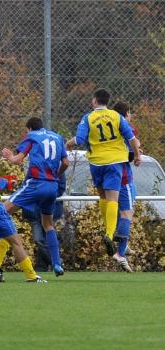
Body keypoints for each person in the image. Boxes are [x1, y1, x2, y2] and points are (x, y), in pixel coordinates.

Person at [66, 89, 142, 257]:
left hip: (96, 163)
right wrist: (136, 156)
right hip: (114, 162)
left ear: (94, 101)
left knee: (103, 198)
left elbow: (79, 140)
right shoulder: (116, 117)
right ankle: (109, 233)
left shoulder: (88, 118)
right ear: (107, 101)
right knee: (113, 199)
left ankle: (107, 226)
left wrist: (68, 144)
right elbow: (131, 139)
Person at [0, 130, 45, 283]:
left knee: (6, 236)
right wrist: (4, 183)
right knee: (16, 241)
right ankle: (32, 276)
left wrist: (2, 181)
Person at [2, 117, 69, 277]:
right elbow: (66, 162)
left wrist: (10, 156)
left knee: (2, 211)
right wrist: (56, 176)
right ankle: (57, 264)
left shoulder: (32, 137)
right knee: (48, 224)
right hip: (52, 186)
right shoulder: (58, 137)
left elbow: (18, 160)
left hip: (36, 183)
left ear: (30, 128)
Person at [109, 101, 138, 272]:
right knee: (126, 213)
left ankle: (124, 244)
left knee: (126, 210)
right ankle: (120, 252)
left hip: (108, 175)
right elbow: (132, 147)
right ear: (126, 114)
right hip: (123, 177)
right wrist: (136, 153)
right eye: (130, 113)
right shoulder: (126, 127)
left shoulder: (108, 127)